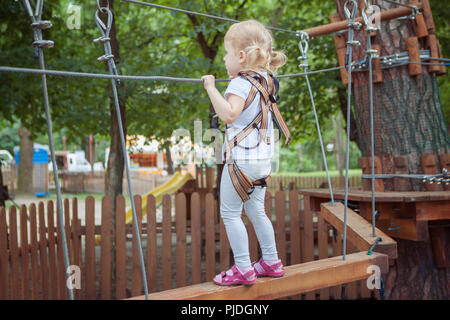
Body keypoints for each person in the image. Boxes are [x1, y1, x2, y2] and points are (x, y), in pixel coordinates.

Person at [201, 20, 291, 286]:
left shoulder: (239, 83)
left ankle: (243, 267)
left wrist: (210, 88)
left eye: (227, 54)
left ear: (241, 56)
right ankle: (271, 261)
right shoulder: (267, 80)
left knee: (230, 214)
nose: (225, 60)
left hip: (241, 162)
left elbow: (229, 115)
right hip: (262, 163)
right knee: (257, 212)